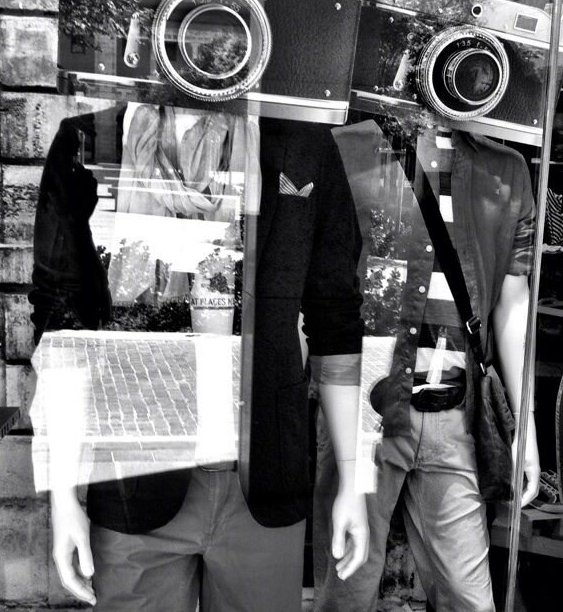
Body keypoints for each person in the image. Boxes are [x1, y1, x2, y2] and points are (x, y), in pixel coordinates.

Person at [30, 105, 369, 612]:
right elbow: (63, 326)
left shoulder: (303, 144)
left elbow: (336, 319)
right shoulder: (92, 142)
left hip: (264, 481)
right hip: (134, 475)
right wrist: (64, 497)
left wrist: (352, 479)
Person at [313, 116, 541, 612]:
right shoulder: (349, 148)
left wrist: (525, 428)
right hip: (369, 402)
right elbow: (327, 290)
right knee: (345, 591)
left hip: (456, 410)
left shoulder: (506, 172)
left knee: (471, 599)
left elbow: (513, 305)